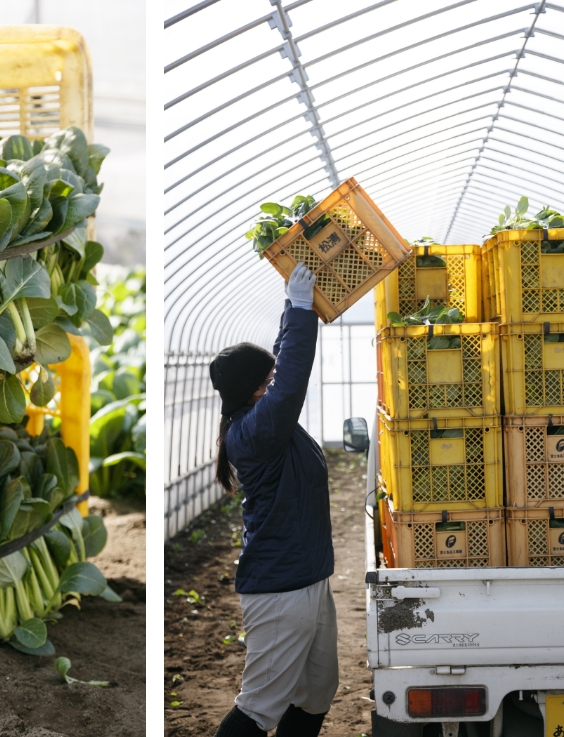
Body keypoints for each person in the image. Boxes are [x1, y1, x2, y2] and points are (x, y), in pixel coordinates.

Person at [210, 263, 338, 737]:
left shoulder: (260, 416)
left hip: (308, 578)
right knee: (260, 707)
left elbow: (281, 366)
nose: (273, 385)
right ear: (252, 391)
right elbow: (289, 384)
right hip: (281, 589)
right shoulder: (257, 430)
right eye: (266, 382)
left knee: (317, 692)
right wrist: (302, 310)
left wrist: (291, 304)